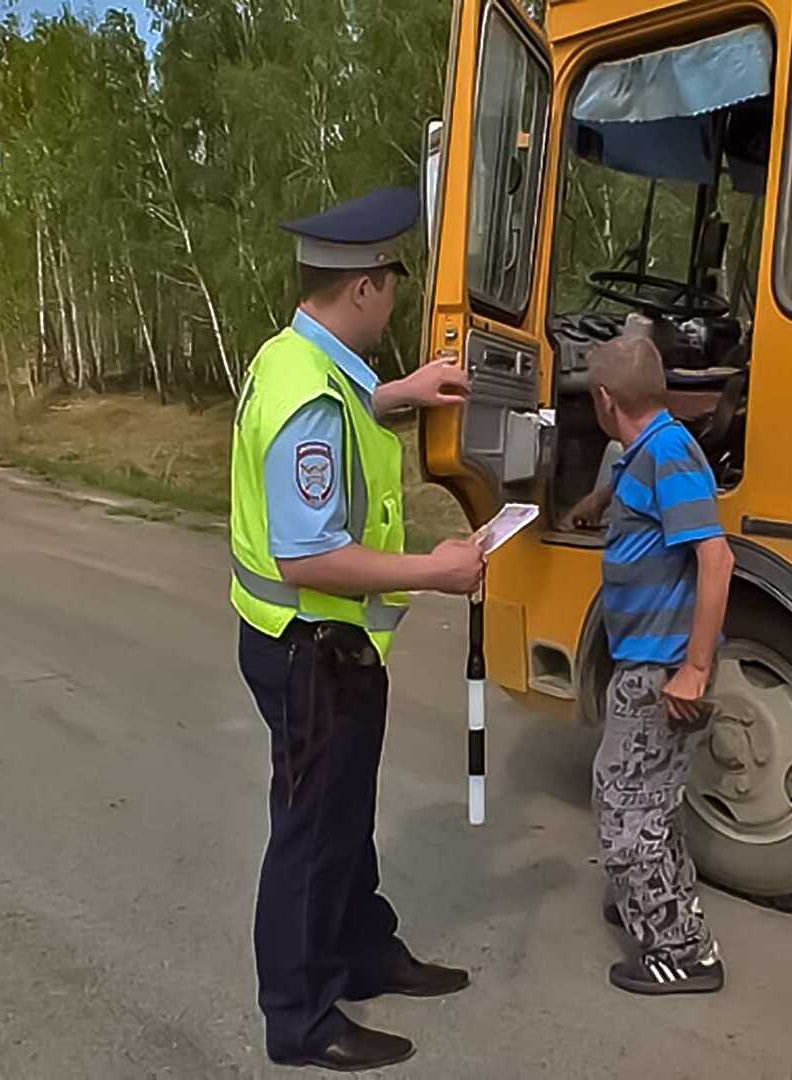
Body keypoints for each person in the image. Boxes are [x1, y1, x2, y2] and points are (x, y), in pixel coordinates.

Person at [230, 186, 485, 1071]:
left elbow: (354, 401)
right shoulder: (310, 402)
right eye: (391, 284)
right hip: (309, 645)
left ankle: (362, 951)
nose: (395, 302)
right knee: (310, 829)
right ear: (365, 288)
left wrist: (404, 392)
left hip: (330, 648)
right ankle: (297, 1018)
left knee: (345, 811)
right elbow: (308, 557)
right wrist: (436, 572)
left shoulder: (308, 361)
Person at [561, 333, 734, 995]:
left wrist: (691, 670)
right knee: (635, 794)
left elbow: (715, 559)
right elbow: (634, 485)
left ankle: (681, 952)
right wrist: (596, 505)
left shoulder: (667, 453)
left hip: (661, 667)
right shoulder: (644, 452)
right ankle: (643, 897)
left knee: (630, 809)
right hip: (642, 662)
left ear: (604, 399)